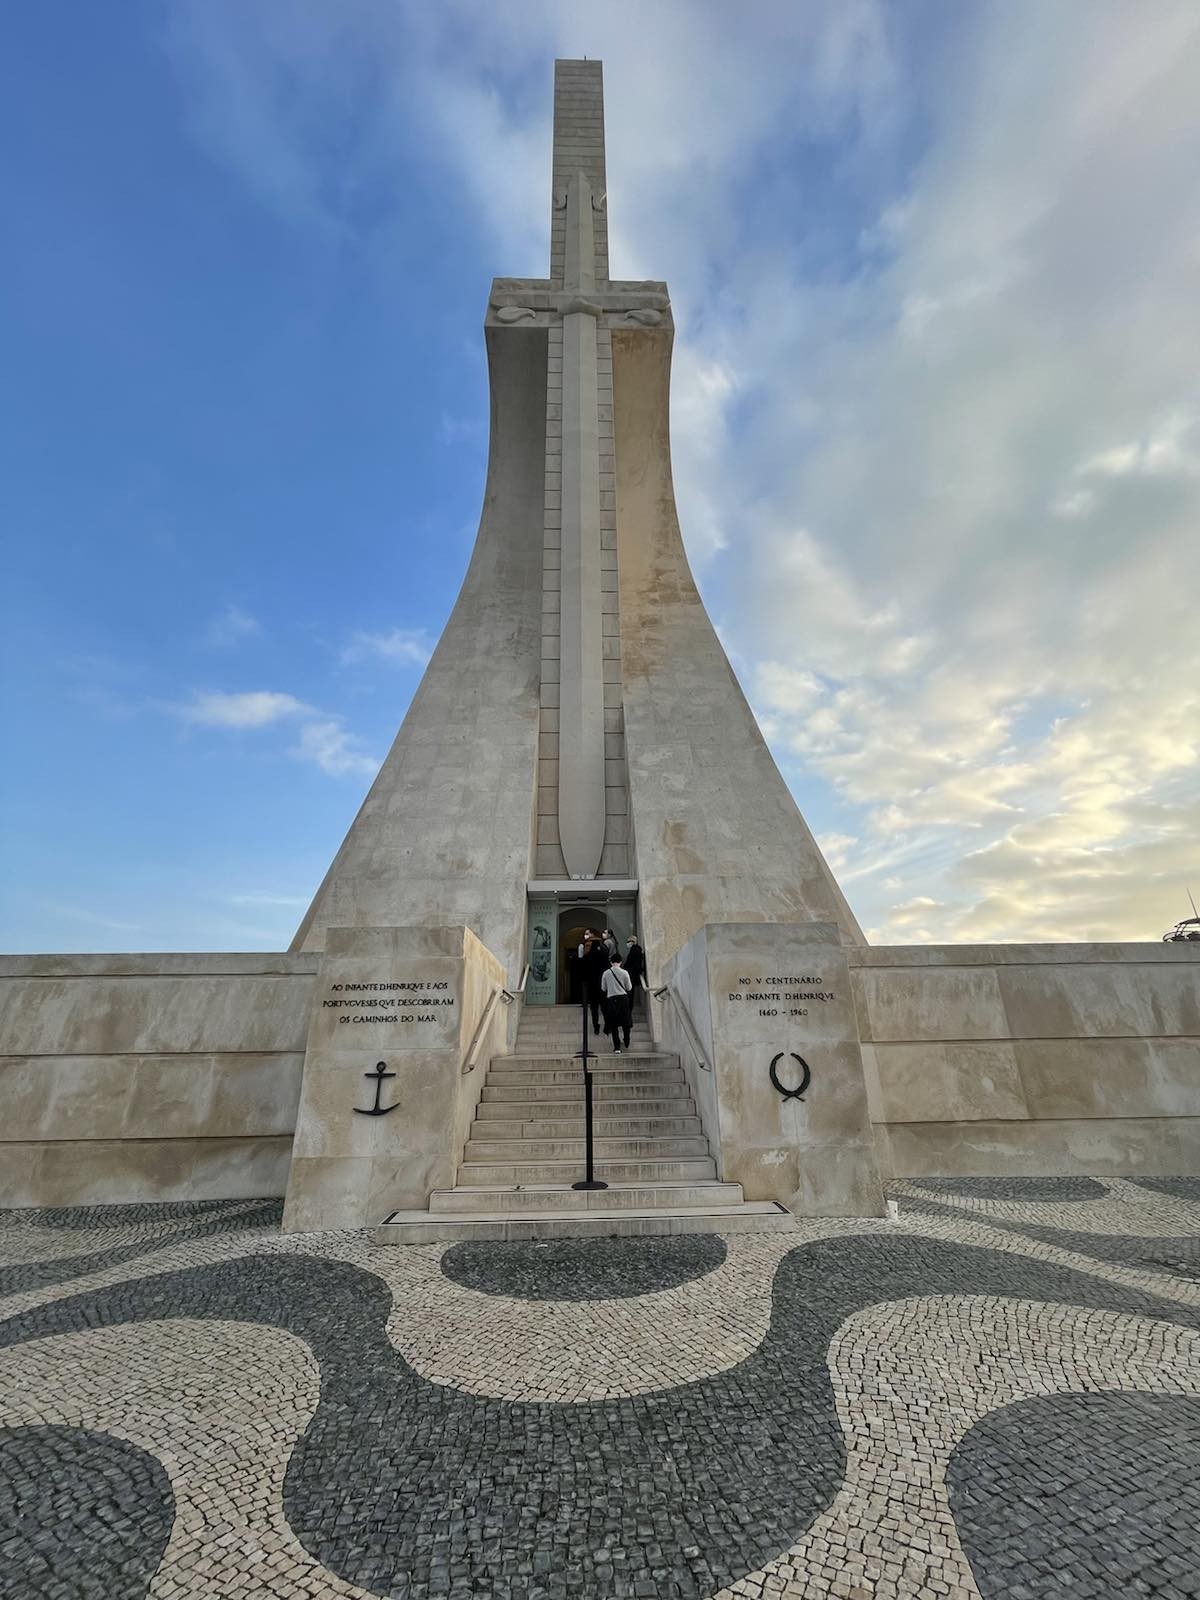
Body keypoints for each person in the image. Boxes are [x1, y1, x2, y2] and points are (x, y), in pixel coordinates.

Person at [600, 952, 633, 1052]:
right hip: (623, 999)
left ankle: (617, 1047)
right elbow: (629, 987)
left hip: (611, 1000)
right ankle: (626, 1039)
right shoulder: (625, 973)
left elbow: (603, 988)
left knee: (613, 1024)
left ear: (611, 962)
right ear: (620, 962)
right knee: (625, 1022)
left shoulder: (606, 973)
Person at [578, 932, 608, 1034]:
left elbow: (583, 970)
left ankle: (596, 1025)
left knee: (594, 1007)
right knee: (604, 1006)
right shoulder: (604, 953)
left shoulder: (588, 956)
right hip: (603, 985)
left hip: (591, 985)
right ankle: (607, 1025)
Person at [624, 935, 647, 1008]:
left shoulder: (634, 950)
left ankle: (629, 1006)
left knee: (630, 992)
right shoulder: (637, 949)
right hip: (633, 973)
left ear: (633, 942)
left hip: (632, 974)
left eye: (629, 941)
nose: (627, 943)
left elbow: (632, 962)